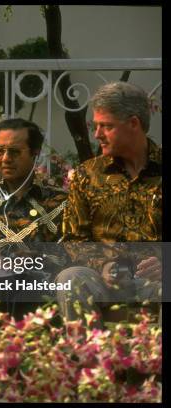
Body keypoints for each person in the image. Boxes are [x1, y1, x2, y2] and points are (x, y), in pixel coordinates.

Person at [55, 81, 162, 325]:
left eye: (106, 126)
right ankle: (87, 361)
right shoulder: (87, 174)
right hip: (103, 280)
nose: (97, 134)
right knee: (71, 278)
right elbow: (74, 239)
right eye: (96, 126)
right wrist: (102, 264)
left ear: (133, 124)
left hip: (158, 281)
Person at [0, 118, 68, 315]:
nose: (6, 158)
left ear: (35, 155)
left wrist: (37, 258)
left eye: (15, 152)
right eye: (0, 151)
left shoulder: (59, 202)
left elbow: (71, 253)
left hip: (36, 286)